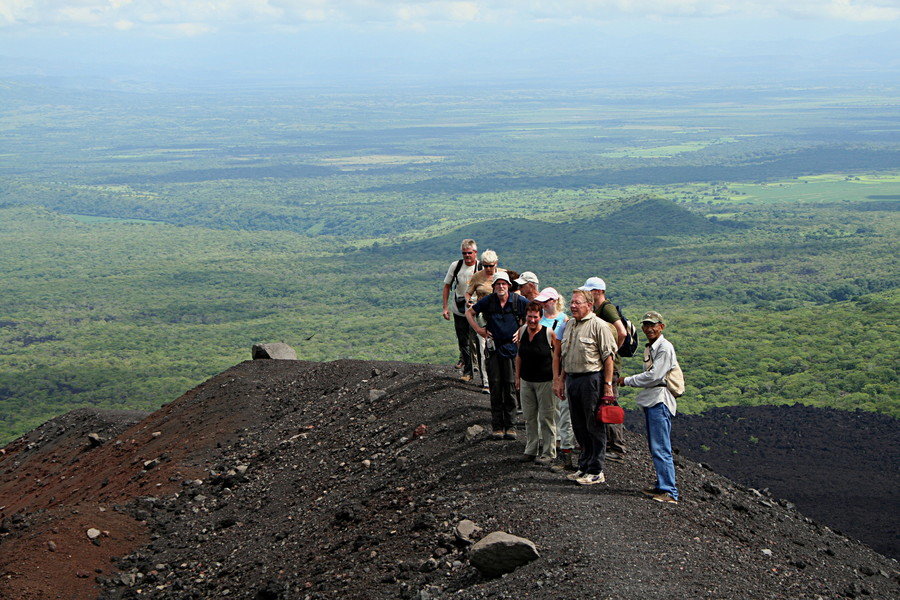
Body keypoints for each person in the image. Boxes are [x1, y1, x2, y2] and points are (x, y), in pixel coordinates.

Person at [554, 289, 617, 486]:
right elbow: (565, 354)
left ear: (589, 305)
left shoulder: (599, 326)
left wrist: (607, 386)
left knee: (594, 425)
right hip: (573, 378)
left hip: (591, 379)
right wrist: (561, 380)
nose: (572, 306)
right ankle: (584, 465)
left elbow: (608, 357)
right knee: (579, 425)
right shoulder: (570, 324)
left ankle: (596, 469)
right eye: (572, 302)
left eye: (577, 303)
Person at [618, 311, 680, 504]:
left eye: (653, 325)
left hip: (660, 400)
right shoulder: (652, 347)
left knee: (661, 447)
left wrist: (626, 380)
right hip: (653, 399)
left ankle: (669, 491)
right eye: (646, 325)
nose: (648, 329)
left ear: (661, 326)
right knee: (657, 446)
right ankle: (662, 485)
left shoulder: (664, 348)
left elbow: (654, 376)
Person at [467, 272, 528, 440]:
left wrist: (521, 331)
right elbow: (469, 313)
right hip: (494, 349)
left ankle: (511, 426)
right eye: (498, 284)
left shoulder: (517, 301)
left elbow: (535, 313)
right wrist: (479, 330)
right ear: (493, 287)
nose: (501, 287)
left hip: (511, 349)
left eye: (504, 284)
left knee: (509, 387)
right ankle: (497, 426)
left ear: (508, 285)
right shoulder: (489, 301)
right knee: (495, 386)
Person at [579, 277, 628, 462]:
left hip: (610, 366)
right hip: (602, 364)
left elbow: (621, 332)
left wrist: (610, 352)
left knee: (610, 401)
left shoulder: (607, 308)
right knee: (604, 401)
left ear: (597, 291)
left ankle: (617, 446)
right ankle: (608, 443)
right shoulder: (599, 309)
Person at [535, 287, 575, 470]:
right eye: (542, 301)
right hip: (542, 366)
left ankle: (560, 441)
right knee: (546, 407)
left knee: (560, 406)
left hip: (557, 364)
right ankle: (548, 439)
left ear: (554, 300)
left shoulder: (564, 320)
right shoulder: (539, 319)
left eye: (546, 301)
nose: (543, 304)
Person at [515, 300, 560, 466]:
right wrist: (517, 377)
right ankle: (531, 449)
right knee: (529, 417)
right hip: (527, 380)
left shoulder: (549, 334)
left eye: (535, 317)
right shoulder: (522, 331)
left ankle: (549, 451)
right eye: (529, 317)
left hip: (545, 381)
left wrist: (557, 379)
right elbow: (519, 355)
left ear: (540, 317)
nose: (532, 320)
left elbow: (557, 357)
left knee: (547, 417)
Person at [466, 250, 505, 394]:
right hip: (482, 315)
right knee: (484, 349)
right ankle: (487, 382)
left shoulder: (502, 275)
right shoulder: (478, 276)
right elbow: (468, 292)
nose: (488, 269)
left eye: (491, 265)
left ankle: (503, 379)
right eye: (485, 266)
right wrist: (469, 301)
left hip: (501, 316)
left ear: (496, 263)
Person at [442, 239, 480, 381]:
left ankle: (483, 374)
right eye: (464, 253)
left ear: (475, 253)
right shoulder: (456, 266)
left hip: (476, 309)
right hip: (459, 309)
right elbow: (447, 286)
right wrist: (445, 307)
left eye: (469, 253)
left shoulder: (481, 267)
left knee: (477, 341)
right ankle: (468, 371)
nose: (467, 256)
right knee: (463, 341)